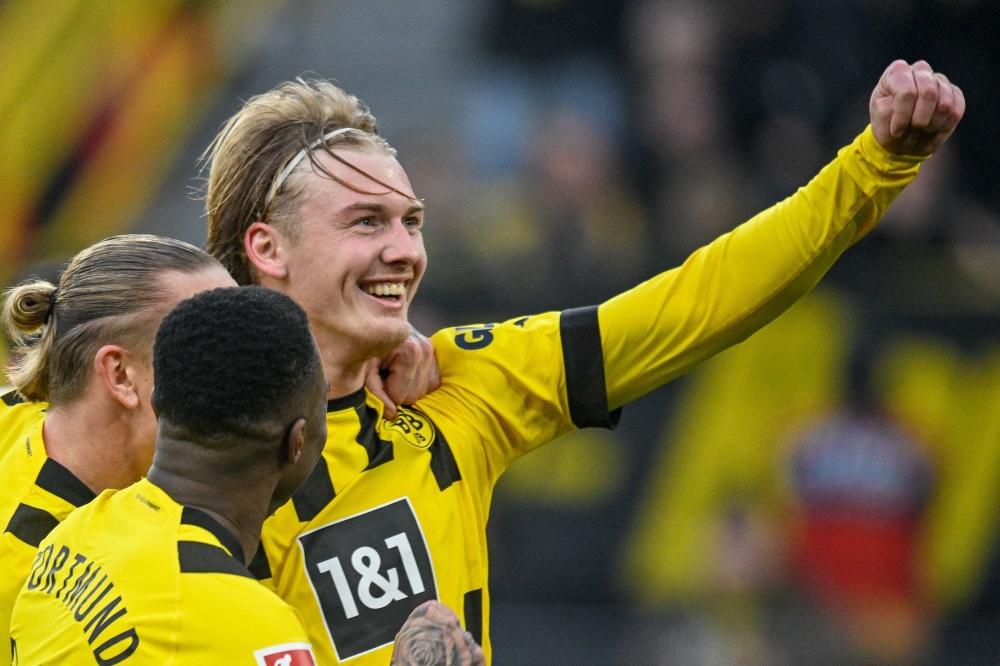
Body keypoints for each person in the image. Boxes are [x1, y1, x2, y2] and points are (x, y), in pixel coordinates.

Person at [202, 60, 964, 665]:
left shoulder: (464, 384)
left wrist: (876, 167)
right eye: (366, 223)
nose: (403, 251)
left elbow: (698, 302)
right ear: (268, 248)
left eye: (412, 221)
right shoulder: (183, 455)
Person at [0, 235, 439, 662]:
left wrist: (374, 342)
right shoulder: (19, 564)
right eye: (196, 339)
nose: (235, 351)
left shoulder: (34, 421)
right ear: (119, 375)